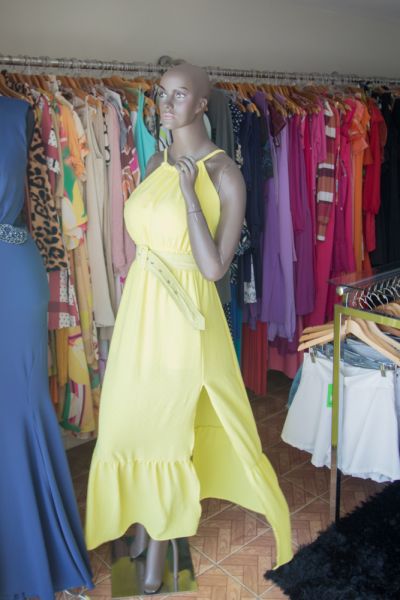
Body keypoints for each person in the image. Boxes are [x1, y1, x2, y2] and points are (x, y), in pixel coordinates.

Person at [85, 63, 292, 594]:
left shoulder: (225, 173)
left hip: (182, 321)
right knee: (126, 422)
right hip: (140, 312)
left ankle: (160, 542)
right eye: (162, 94)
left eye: (180, 95)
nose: (166, 104)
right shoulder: (157, 159)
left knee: (165, 430)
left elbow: (215, 268)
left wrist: (188, 193)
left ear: (203, 104)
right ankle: (139, 522)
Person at [0, 97, 93, 600]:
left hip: (12, 280)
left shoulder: (17, 113)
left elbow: (43, 208)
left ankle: (37, 557)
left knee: (19, 416)